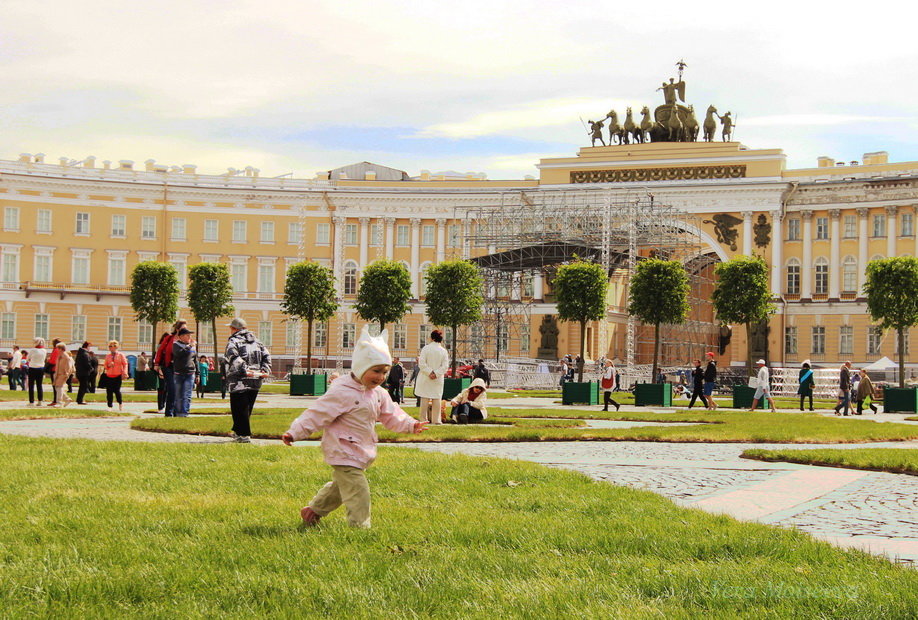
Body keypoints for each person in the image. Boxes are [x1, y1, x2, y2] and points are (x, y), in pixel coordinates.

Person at [282, 326, 426, 528]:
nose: (381, 377)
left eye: (385, 372)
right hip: (341, 449)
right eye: (376, 371)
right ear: (360, 367)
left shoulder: (378, 394)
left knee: (341, 488)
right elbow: (317, 413)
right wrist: (295, 432)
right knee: (358, 490)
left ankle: (313, 511)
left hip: (361, 449)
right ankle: (359, 527)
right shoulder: (342, 391)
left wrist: (411, 424)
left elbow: (392, 414)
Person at [224, 317, 271, 443]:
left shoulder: (234, 341)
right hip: (256, 379)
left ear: (234, 329)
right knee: (247, 407)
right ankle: (238, 432)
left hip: (239, 380)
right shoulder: (258, 341)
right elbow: (267, 356)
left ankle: (244, 435)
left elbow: (233, 357)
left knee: (238, 407)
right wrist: (264, 370)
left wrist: (245, 370)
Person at [415, 329, 449, 425]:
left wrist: (430, 372)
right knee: (437, 398)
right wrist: (436, 373)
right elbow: (445, 366)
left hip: (426, 377)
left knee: (424, 398)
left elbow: (421, 363)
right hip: (438, 379)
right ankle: (436, 420)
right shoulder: (443, 351)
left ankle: (423, 419)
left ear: (432, 338)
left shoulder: (426, 348)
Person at [154, 321, 187, 417]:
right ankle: (168, 412)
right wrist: (157, 364)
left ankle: (176, 412)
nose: (184, 330)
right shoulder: (169, 338)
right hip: (168, 366)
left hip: (180, 368)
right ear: (177, 329)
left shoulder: (185, 339)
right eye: (182, 328)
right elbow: (160, 351)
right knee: (172, 388)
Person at [172, 327, 198, 417]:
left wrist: (197, 374)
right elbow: (179, 354)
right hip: (178, 373)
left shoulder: (192, 347)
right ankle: (178, 413)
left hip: (190, 373)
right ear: (181, 336)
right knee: (178, 395)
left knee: (187, 395)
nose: (190, 337)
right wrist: (190, 346)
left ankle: (185, 413)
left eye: (190, 335)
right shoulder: (176, 345)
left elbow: (195, 360)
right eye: (188, 335)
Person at [102, 340, 129, 412]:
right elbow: (105, 365)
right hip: (109, 375)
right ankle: (109, 406)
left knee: (117, 391)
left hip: (117, 375)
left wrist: (125, 372)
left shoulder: (120, 355)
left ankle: (120, 403)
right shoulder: (108, 356)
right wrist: (109, 365)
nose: (111, 348)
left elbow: (125, 364)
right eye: (110, 346)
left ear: (116, 347)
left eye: (113, 346)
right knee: (109, 392)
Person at [51, 343, 74, 408]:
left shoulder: (66, 357)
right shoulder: (60, 356)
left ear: (61, 349)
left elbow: (69, 366)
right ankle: (67, 399)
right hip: (58, 374)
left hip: (62, 374)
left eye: (58, 348)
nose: (57, 350)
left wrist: (66, 374)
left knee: (59, 387)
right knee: (57, 388)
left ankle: (59, 402)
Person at [26, 338, 48, 407]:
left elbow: (27, 359)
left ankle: (31, 401)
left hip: (32, 368)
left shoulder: (32, 350)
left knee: (31, 385)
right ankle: (40, 401)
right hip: (41, 368)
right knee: (39, 385)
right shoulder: (44, 350)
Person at [46, 337, 61, 406]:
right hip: (58, 369)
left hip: (54, 369)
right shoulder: (60, 350)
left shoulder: (56, 350)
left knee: (55, 386)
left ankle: (56, 400)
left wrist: (48, 361)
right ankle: (57, 400)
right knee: (57, 386)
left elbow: (53, 361)